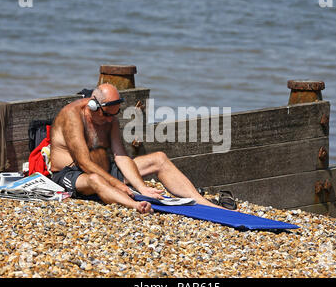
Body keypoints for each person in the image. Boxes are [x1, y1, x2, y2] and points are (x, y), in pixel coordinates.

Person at [50, 83, 225, 214]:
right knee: (96, 178)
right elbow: (84, 163)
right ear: (94, 106)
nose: (111, 120)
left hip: (105, 169)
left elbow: (121, 156)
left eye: (115, 114)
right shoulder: (71, 116)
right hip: (71, 174)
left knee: (159, 158)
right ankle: (135, 206)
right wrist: (119, 184)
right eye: (108, 115)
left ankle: (203, 202)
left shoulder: (110, 117)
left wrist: (141, 187)